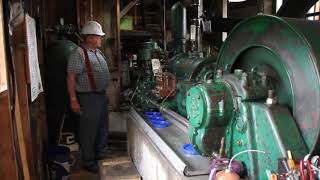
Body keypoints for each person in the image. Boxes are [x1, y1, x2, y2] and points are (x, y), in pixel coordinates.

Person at [67, 21, 110, 172]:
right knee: (88, 131)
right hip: (87, 97)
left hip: (100, 96)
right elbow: (71, 77)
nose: (100, 39)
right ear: (90, 38)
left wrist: (105, 93)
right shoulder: (78, 53)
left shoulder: (98, 53)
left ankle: (101, 155)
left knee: (102, 128)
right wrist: (73, 100)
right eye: (98, 37)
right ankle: (89, 161)